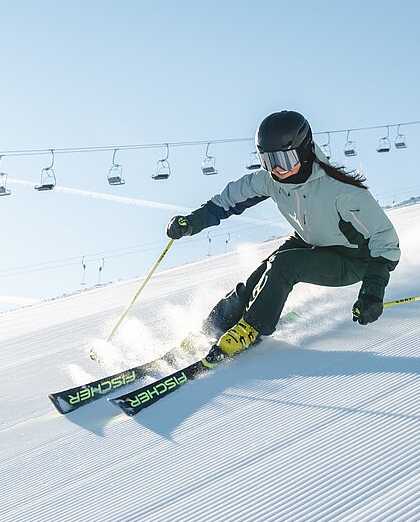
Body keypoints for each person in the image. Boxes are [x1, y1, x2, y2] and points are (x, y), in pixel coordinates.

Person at [167, 110, 402, 362]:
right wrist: (191, 222)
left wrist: (372, 292)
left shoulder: (341, 191)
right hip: (309, 240)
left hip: (352, 259)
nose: (277, 169)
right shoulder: (271, 180)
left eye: (285, 159)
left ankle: (252, 328)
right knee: (256, 280)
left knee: (283, 266)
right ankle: (211, 328)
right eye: (268, 161)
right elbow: (228, 200)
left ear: (305, 150)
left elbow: (386, 242)